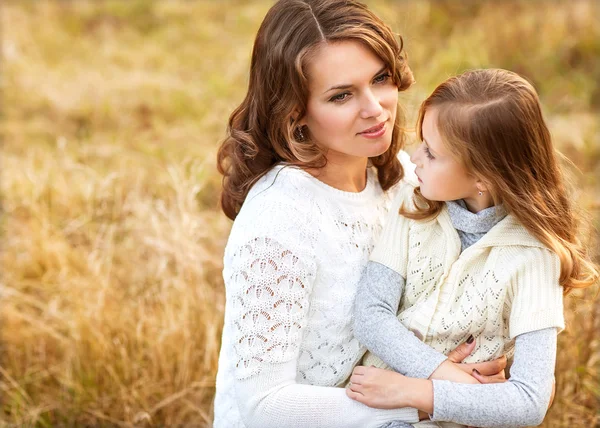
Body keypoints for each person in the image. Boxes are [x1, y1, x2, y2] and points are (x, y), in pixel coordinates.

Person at [213, 1, 505, 427]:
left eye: (380, 79)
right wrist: (428, 399)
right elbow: (265, 405)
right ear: (295, 113)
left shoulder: (405, 180)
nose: (376, 108)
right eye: (342, 95)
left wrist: (476, 371)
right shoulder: (279, 220)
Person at [347, 68, 599, 427]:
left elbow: (529, 401)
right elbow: (371, 314)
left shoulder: (534, 257)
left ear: (483, 176)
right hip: (366, 411)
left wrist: (415, 392)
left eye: (432, 153)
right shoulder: (413, 204)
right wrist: (451, 376)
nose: (414, 158)